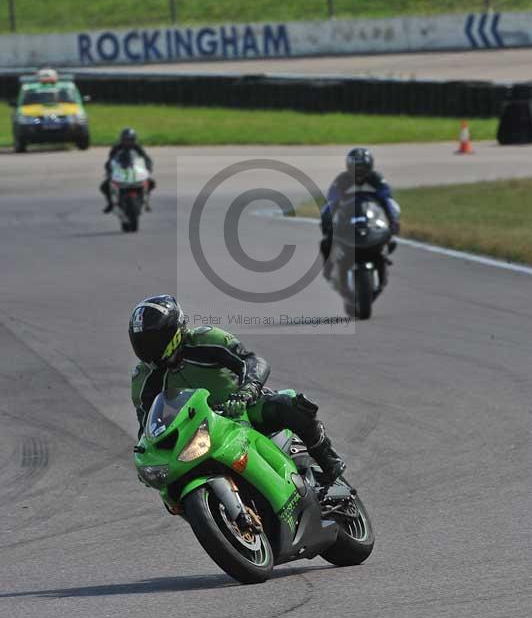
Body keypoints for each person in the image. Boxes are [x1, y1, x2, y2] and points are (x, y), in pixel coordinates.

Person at [129, 295, 346, 485]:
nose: (148, 349)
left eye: (153, 341)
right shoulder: (144, 379)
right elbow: (147, 427)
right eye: (142, 343)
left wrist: (247, 390)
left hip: (242, 410)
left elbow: (252, 361)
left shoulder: (205, 340)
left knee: (289, 405)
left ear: (173, 331)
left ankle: (328, 460)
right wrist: (148, 458)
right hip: (197, 434)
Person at [320, 146, 400, 280]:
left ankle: (381, 260)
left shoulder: (377, 179)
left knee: (390, 240)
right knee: (326, 242)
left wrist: (393, 221)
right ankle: (328, 267)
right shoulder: (341, 180)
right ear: (349, 167)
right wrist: (326, 220)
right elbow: (331, 201)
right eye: (356, 168)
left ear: (370, 166)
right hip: (348, 218)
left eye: (363, 168)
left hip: (371, 219)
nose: (359, 171)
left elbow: (387, 200)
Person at [100, 128, 155, 213]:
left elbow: (146, 158)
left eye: (130, 140)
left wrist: (148, 167)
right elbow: (110, 160)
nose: (128, 142)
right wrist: (109, 170)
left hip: (134, 170)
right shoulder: (116, 147)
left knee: (151, 182)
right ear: (122, 140)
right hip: (120, 170)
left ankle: (146, 202)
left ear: (134, 140)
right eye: (126, 140)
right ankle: (110, 204)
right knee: (104, 186)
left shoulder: (137, 147)